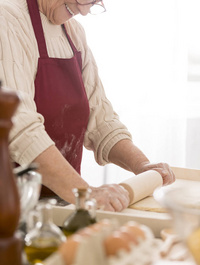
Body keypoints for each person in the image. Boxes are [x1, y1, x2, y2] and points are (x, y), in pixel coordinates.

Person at [0, 0, 175, 212]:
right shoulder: (8, 18)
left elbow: (101, 121)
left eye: (93, 2)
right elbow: (20, 128)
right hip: (10, 208)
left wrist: (142, 166)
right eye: (81, 0)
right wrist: (86, 193)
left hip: (60, 207)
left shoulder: (74, 33)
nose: (83, 10)